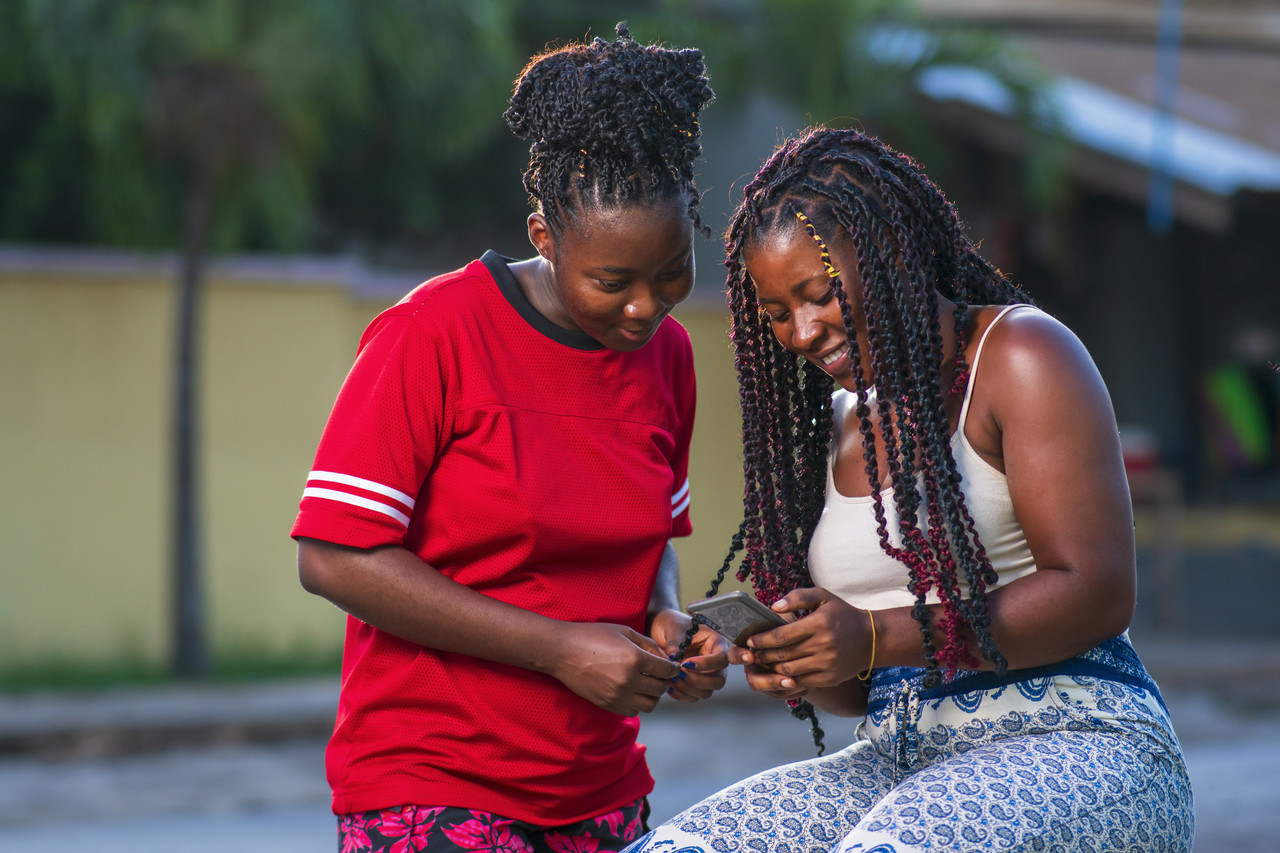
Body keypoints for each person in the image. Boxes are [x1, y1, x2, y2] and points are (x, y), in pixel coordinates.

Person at [628, 128, 1194, 852]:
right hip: (898, 760)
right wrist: (803, 655)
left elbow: (1097, 588)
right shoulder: (831, 423)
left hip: (1079, 739)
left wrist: (873, 633)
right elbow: (856, 693)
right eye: (775, 314)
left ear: (892, 251)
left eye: (818, 293)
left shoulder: (1021, 354)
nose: (801, 331)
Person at [291, 23, 727, 853]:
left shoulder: (665, 355)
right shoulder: (432, 334)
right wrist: (559, 647)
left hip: (599, 787)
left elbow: (652, 538)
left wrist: (667, 619)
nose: (645, 305)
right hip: (433, 781)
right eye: (613, 281)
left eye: (671, 270)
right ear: (544, 238)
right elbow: (333, 555)